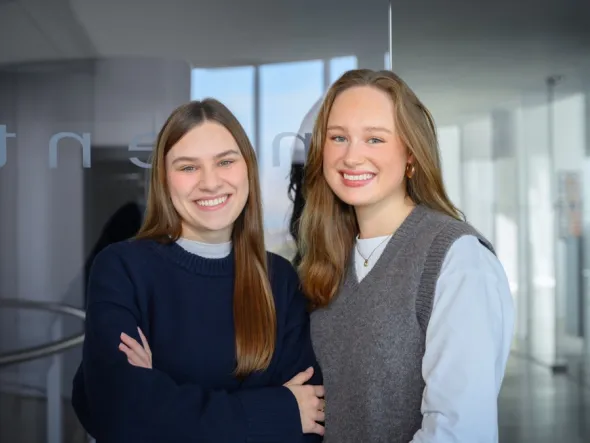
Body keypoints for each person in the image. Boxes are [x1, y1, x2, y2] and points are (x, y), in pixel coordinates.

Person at [71, 99, 325, 443]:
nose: (210, 182)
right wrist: (275, 410)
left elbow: (309, 423)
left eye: (225, 161)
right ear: (164, 179)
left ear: (247, 168)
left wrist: (160, 397)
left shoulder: (278, 278)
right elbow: (120, 414)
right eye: (188, 167)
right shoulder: (122, 269)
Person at [296, 69, 515, 442]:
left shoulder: (457, 259)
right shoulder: (327, 258)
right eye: (339, 137)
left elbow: (459, 430)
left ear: (411, 153)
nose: (352, 156)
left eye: (375, 139)